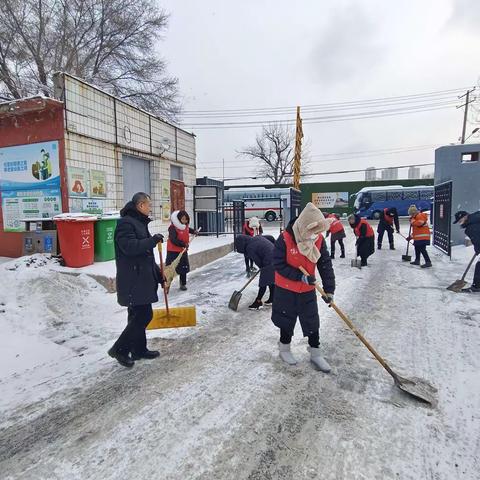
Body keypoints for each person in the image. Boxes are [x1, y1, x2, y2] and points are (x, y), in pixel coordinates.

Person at [272, 203, 335, 372]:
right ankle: (284, 348)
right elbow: (278, 264)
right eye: (312, 231)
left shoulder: (318, 239)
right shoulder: (285, 238)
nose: (314, 235)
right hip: (286, 288)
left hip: (307, 289)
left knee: (311, 320)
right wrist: (299, 276)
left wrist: (330, 289)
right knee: (286, 319)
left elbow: (325, 264)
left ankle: (315, 353)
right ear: (303, 226)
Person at [108, 192, 165, 368]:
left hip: (142, 276)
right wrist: (152, 241)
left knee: (137, 314)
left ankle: (138, 349)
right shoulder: (125, 223)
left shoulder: (138, 223)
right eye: (148, 205)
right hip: (133, 278)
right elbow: (130, 248)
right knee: (144, 314)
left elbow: (146, 255)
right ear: (140, 205)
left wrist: (158, 273)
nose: (150, 208)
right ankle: (119, 349)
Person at [234, 234, 275, 310]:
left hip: (269, 260)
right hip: (276, 257)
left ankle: (258, 302)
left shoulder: (250, 248)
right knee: (270, 280)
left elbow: (258, 261)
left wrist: (262, 268)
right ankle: (272, 299)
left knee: (263, 282)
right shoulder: (254, 239)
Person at [166, 210, 197, 291]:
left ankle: (183, 284)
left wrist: (194, 231)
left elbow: (188, 230)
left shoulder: (185, 226)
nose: (184, 221)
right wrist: (183, 244)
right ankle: (167, 284)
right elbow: (173, 239)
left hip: (182, 251)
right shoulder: (173, 228)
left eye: (186, 219)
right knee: (170, 269)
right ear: (179, 218)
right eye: (183, 219)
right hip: (172, 251)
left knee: (184, 268)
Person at [453, 210, 480, 292]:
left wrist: (477, 249)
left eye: (460, 221)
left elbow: (477, 240)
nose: (460, 223)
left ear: (465, 217)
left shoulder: (471, 227)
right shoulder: (476, 218)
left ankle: (476, 286)